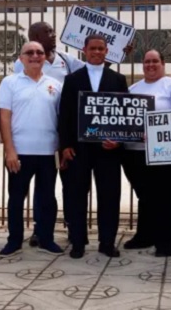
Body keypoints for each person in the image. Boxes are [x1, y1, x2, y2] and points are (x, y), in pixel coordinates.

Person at [13, 22, 85, 248]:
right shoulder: (20, 64)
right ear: (33, 36)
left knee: (69, 185)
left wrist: (117, 54)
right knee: (40, 189)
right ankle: (38, 230)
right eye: (47, 32)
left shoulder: (66, 60)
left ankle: (74, 229)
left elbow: (91, 69)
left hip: (63, 133)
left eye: (53, 32)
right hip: (31, 138)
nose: (53, 36)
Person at [58, 34, 129, 259]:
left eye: (101, 49)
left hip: (108, 149)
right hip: (79, 148)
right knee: (77, 194)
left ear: (107, 51)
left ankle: (107, 242)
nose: (97, 52)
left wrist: (119, 140)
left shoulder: (118, 79)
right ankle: (78, 241)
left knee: (109, 195)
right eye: (93, 49)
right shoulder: (72, 79)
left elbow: (125, 114)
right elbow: (65, 115)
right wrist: (65, 146)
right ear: (84, 50)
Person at [0, 42, 64, 257]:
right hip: (20, 152)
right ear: (21, 58)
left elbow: (61, 119)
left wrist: (61, 149)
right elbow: (4, 117)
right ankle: (14, 240)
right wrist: (9, 150)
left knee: (47, 198)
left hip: (47, 152)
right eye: (30, 53)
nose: (35, 56)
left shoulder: (55, 84)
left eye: (39, 53)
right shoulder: (10, 83)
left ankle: (47, 239)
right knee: (16, 197)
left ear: (45, 57)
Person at [121, 49, 171, 256]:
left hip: (166, 152)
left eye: (155, 61)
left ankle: (168, 240)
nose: (150, 65)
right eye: (147, 61)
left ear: (163, 63)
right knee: (144, 195)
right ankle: (144, 236)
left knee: (165, 195)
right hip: (135, 152)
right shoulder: (132, 89)